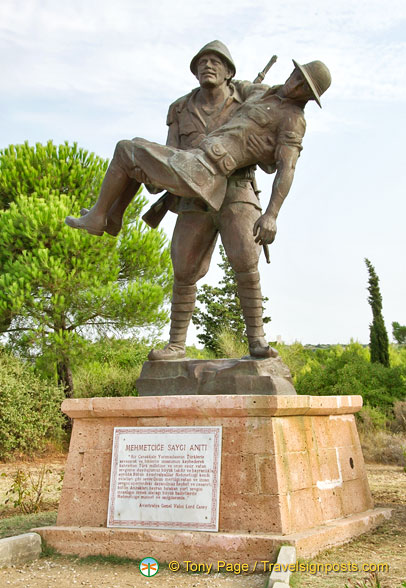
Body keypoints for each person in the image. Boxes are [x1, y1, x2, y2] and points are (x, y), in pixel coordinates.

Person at [65, 43, 331, 360]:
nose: (295, 85)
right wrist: (156, 179)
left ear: (310, 97)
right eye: (296, 77)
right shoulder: (253, 93)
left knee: (246, 262)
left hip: (234, 186)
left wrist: (271, 214)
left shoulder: (292, 118)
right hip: (194, 182)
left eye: (304, 87)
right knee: (184, 267)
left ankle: (257, 341)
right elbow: (176, 143)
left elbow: (286, 168)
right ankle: (176, 344)